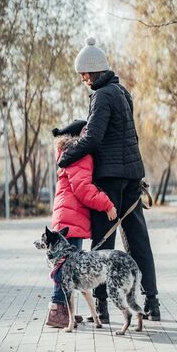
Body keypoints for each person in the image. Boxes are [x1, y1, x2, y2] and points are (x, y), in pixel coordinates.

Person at [58, 37, 160, 322]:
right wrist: (71, 127)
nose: (82, 80)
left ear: (93, 72)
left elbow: (93, 138)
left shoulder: (101, 96)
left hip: (110, 178)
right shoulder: (121, 91)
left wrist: (65, 157)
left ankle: (101, 307)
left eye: (84, 75)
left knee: (103, 243)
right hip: (132, 177)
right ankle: (152, 301)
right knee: (138, 239)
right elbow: (106, 127)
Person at [46, 119, 117, 328]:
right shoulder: (79, 154)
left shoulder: (67, 154)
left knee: (64, 268)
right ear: (80, 135)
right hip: (71, 219)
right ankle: (57, 312)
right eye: (88, 131)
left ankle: (63, 311)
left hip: (66, 216)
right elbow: (83, 189)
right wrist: (107, 205)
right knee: (66, 269)